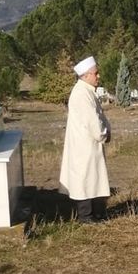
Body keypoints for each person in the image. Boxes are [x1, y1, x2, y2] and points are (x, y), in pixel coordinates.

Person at [59, 56, 112, 223]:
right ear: (86, 75)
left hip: (88, 144)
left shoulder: (86, 91)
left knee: (93, 178)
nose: (98, 76)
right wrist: (103, 134)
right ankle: (86, 216)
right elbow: (92, 121)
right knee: (86, 179)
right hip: (85, 145)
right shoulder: (82, 94)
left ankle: (96, 213)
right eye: (96, 73)